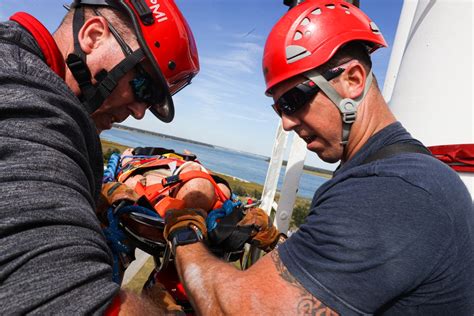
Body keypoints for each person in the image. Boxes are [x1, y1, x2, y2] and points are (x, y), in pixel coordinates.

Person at [161, 1, 474, 314]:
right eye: (278, 108)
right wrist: (275, 241)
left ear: (352, 80)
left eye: (294, 99)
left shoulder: (392, 190)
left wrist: (185, 235)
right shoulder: (395, 170)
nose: (286, 122)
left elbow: (237, 310)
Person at [0, 0, 199, 313]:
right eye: (144, 87)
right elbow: (66, 300)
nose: (137, 112)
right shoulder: (24, 100)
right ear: (92, 37)